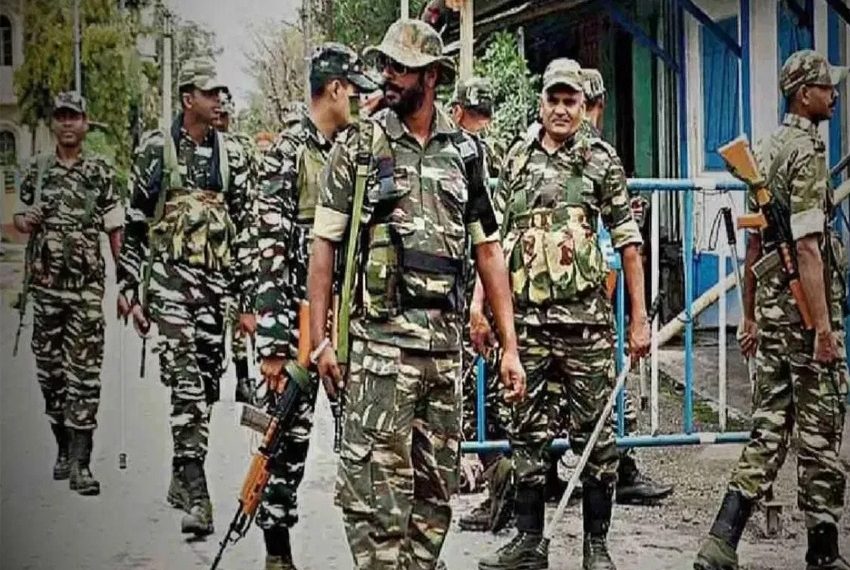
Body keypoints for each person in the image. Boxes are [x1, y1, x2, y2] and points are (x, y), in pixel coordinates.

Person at [307, 19, 526, 570]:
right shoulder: (358, 147)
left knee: (433, 501)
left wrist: (511, 346)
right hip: (379, 352)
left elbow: (490, 252)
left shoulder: (466, 154)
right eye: (387, 66)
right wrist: (320, 341)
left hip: (442, 356)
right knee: (376, 503)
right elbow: (323, 249)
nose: (389, 76)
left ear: (431, 76)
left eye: (401, 68)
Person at [474, 58, 650, 570]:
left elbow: (629, 243)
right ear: (541, 102)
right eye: (553, 99)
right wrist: (480, 307)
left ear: (582, 105)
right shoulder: (515, 160)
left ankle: (596, 546)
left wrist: (638, 319)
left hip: (588, 327)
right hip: (525, 327)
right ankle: (529, 541)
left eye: (570, 100)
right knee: (524, 432)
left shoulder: (602, 161)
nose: (560, 109)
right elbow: (494, 243)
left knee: (596, 437)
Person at [694, 49, 849, 570]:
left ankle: (720, 542)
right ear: (805, 94)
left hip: (778, 317)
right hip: (807, 319)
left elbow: (756, 244)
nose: (834, 94)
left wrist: (752, 314)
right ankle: (823, 553)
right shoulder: (806, 152)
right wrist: (824, 329)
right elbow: (805, 246)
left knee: (768, 427)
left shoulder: (766, 148)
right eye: (827, 87)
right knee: (820, 430)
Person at [117, 56, 256, 537]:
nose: (219, 99)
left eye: (222, 91)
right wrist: (128, 288)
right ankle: (199, 496)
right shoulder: (156, 151)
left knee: (207, 384)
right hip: (169, 288)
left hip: (214, 290)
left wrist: (246, 301)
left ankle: (181, 473)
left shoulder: (231, 155)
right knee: (187, 389)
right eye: (209, 91)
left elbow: (244, 230)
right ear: (187, 99)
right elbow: (135, 224)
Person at [253, 42, 378, 570]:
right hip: (298, 329)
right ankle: (277, 556)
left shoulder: (354, 150)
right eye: (353, 90)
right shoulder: (286, 153)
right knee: (284, 447)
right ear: (334, 89)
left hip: (348, 327)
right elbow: (268, 251)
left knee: (366, 445)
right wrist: (274, 345)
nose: (358, 100)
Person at [14, 91, 123, 497]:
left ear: (85, 122)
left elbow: (114, 225)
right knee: (50, 374)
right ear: (52, 123)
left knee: (85, 376)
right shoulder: (36, 171)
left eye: (73, 117)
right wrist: (26, 220)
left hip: (85, 291)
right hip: (45, 289)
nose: (67, 124)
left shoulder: (98, 172)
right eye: (60, 116)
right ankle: (62, 445)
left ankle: (82, 463)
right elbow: (18, 218)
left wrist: (124, 279)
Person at [577, 67, 673, 506]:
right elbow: (614, 248)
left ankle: (620, 467)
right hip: (589, 296)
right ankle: (621, 469)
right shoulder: (592, 157)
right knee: (605, 391)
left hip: (582, 294)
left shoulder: (583, 157)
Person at [213, 91, 259, 405]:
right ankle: (212, 379)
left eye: (224, 117)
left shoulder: (240, 151)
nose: (220, 123)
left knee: (240, 320)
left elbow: (249, 204)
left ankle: (243, 378)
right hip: (209, 260)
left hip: (236, 253)